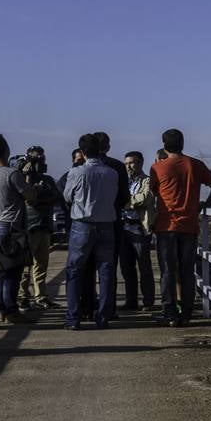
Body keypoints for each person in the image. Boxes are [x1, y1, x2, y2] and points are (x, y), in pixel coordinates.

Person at [150, 128, 211, 326]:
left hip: (166, 226)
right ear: (182, 143)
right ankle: (187, 314)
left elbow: (153, 193)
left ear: (164, 145)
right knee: (187, 271)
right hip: (189, 226)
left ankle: (170, 314)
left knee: (167, 271)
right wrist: (205, 205)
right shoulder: (195, 165)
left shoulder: (157, 168)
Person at [61, 133, 120, 330]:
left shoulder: (77, 172)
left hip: (82, 224)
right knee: (106, 271)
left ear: (83, 152)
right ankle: (103, 317)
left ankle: (73, 318)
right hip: (107, 224)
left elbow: (67, 196)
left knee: (75, 271)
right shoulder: (112, 173)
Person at [0, 134, 32, 323]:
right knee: (13, 271)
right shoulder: (12, 174)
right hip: (13, 226)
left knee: (3, 271)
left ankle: (2, 309)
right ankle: (12, 310)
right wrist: (27, 176)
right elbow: (30, 195)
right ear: (6, 150)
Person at [93, 132, 130, 320]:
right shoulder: (117, 166)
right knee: (109, 267)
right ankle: (108, 309)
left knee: (87, 268)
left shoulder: (81, 167)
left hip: (86, 222)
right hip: (112, 220)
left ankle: (87, 307)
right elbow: (125, 196)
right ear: (108, 147)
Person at [19, 145, 59, 309]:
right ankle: (22, 296)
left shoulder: (48, 180)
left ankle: (41, 296)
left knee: (41, 264)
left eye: (42, 159)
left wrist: (38, 199)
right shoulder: (21, 179)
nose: (40, 163)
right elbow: (27, 199)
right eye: (36, 159)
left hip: (44, 225)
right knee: (25, 265)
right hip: (29, 227)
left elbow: (55, 196)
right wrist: (28, 177)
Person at [120, 150, 154, 311]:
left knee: (144, 265)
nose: (128, 166)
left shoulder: (148, 180)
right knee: (126, 267)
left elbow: (145, 198)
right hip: (123, 227)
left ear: (140, 163)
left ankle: (148, 301)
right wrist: (132, 201)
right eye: (126, 163)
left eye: (131, 163)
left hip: (139, 227)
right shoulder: (122, 181)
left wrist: (126, 202)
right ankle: (131, 301)